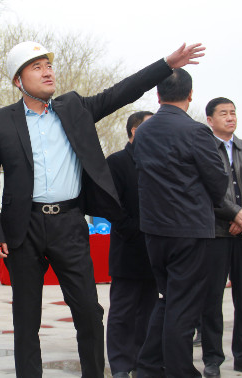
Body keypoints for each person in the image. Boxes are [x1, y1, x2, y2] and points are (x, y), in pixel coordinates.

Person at [0, 40, 205, 378]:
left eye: (48, 65)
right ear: (18, 80)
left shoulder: (74, 108)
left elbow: (122, 92)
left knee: (88, 311)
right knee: (26, 318)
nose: (47, 72)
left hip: (69, 223)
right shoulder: (1, 120)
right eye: (36, 67)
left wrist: (166, 64)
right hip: (23, 228)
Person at [133, 69, 228, 378]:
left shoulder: (143, 132)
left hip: (154, 230)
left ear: (158, 94)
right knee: (184, 307)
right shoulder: (196, 131)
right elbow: (218, 181)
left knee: (169, 299)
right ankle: (180, 371)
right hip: (189, 230)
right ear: (190, 94)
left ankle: (148, 366)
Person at [201, 97, 242, 377]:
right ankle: (212, 358)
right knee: (212, 297)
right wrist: (233, 214)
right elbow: (205, 189)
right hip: (216, 233)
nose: (230, 118)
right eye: (223, 113)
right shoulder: (204, 149)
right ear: (210, 120)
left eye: (233, 113)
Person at [105, 111, 157, 378]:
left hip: (156, 249)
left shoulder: (159, 160)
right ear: (135, 131)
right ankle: (120, 365)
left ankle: (143, 362)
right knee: (123, 311)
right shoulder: (116, 162)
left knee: (150, 310)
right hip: (128, 247)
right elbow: (110, 205)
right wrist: (134, 230)